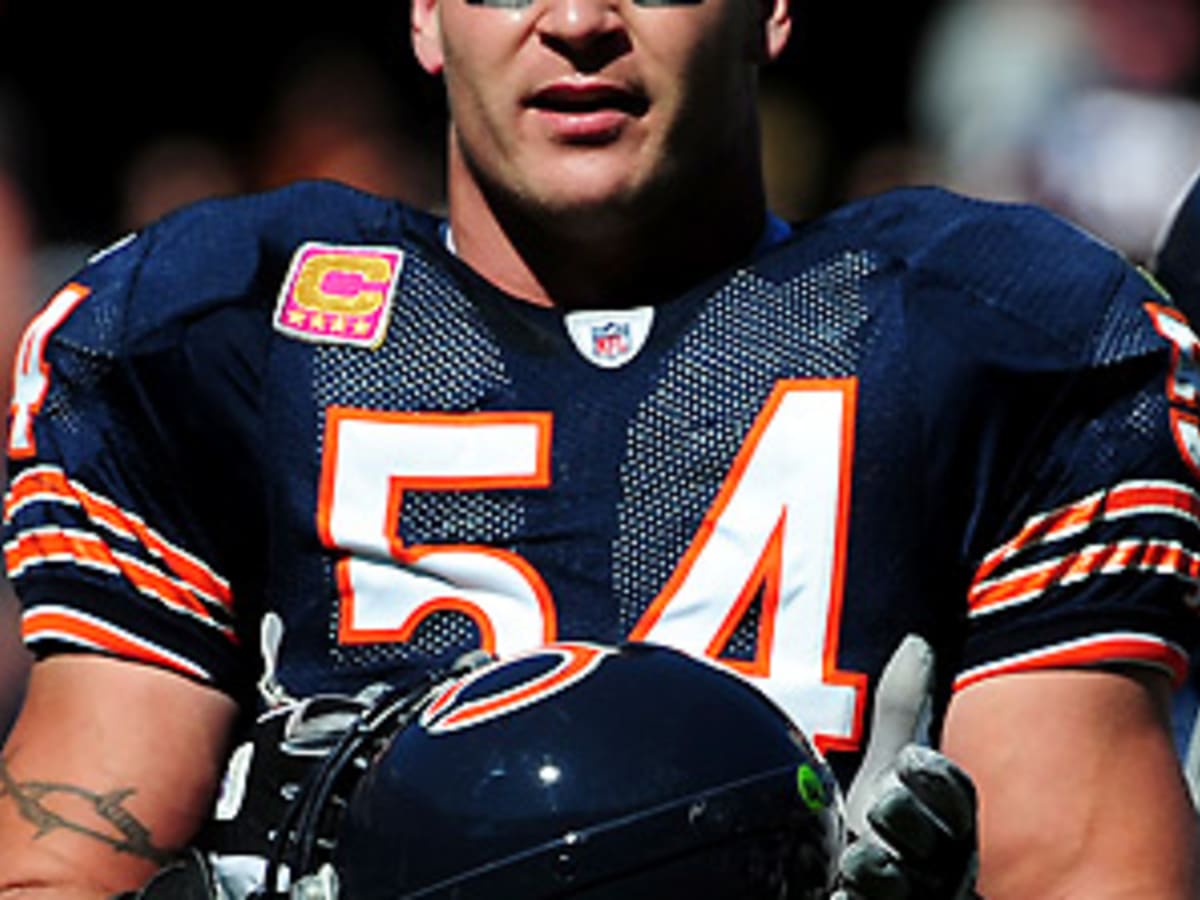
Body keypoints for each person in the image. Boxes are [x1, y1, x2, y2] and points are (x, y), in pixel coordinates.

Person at [0, 0, 1196, 897]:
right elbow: (63, 862)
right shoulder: (219, 334)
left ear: (769, 9)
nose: (577, 23)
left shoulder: (996, 334)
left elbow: (1083, 867)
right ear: (427, 13)